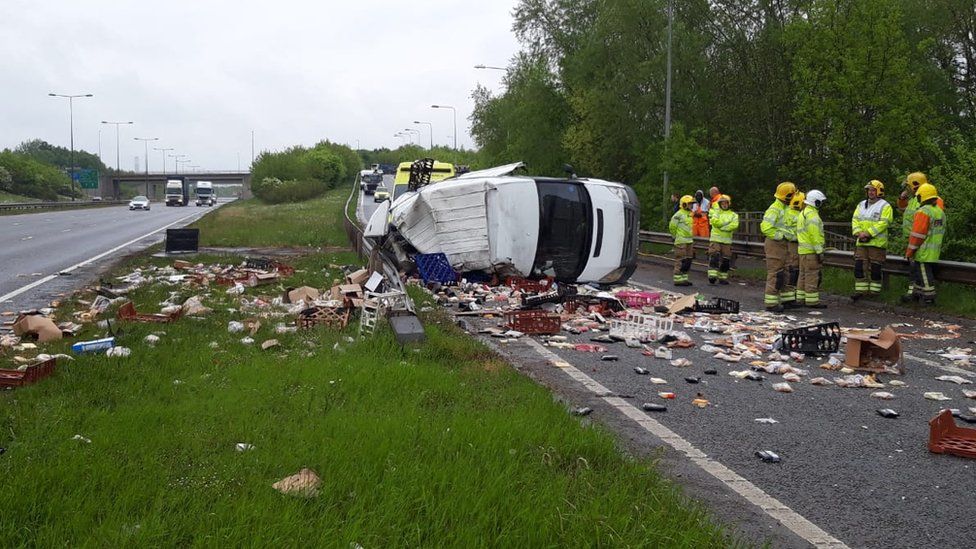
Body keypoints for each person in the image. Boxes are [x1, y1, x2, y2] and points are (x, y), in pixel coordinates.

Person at [897, 172, 944, 299]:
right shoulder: (914, 199)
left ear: (915, 184)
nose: (907, 188)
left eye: (909, 185)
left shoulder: (931, 199)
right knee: (915, 269)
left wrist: (914, 243)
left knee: (920, 269)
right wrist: (902, 199)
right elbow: (903, 210)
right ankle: (914, 293)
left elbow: (932, 219)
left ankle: (923, 296)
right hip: (913, 239)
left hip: (923, 241)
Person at [851, 180, 893, 300]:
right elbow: (855, 219)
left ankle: (874, 294)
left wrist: (868, 233)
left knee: (875, 269)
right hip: (862, 242)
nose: (870, 192)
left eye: (873, 190)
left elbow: (884, 223)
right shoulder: (861, 205)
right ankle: (860, 292)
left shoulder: (885, 206)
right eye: (869, 190)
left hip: (876, 243)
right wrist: (858, 232)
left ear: (879, 191)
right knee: (859, 266)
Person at [760, 182, 796, 312]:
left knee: (786, 271)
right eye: (792, 195)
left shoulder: (785, 208)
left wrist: (789, 236)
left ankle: (787, 300)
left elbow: (789, 227)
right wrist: (781, 236)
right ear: (787, 196)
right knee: (776, 273)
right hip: (775, 244)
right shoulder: (774, 209)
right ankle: (771, 303)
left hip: (783, 244)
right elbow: (766, 228)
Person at [797, 190, 827, 308]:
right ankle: (812, 301)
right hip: (811, 252)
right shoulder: (813, 215)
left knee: (802, 275)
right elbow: (814, 235)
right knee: (812, 276)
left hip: (803, 251)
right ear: (817, 202)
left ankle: (800, 299)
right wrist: (819, 251)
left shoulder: (803, 213)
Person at [707, 194, 739, 284]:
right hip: (716, 239)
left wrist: (722, 227)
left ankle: (723, 278)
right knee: (714, 256)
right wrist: (726, 223)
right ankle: (712, 276)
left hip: (727, 241)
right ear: (720, 204)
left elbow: (734, 225)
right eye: (722, 203)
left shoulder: (733, 215)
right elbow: (714, 222)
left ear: (729, 204)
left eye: (726, 203)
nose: (724, 205)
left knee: (726, 260)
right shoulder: (716, 213)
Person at [669, 195, 695, 286]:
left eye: (692, 204)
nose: (692, 205)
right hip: (681, 241)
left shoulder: (690, 214)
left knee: (688, 261)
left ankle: (684, 279)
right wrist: (675, 237)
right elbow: (672, 227)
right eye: (690, 204)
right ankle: (678, 280)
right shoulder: (678, 214)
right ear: (684, 204)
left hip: (689, 241)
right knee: (680, 260)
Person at [788, 192, 806, 303]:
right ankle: (793, 291)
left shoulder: (788, 212)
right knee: (795, 267)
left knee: (794, 267)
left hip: (793, 243)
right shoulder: (799, 215)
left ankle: (792, 291)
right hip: (795, 243)